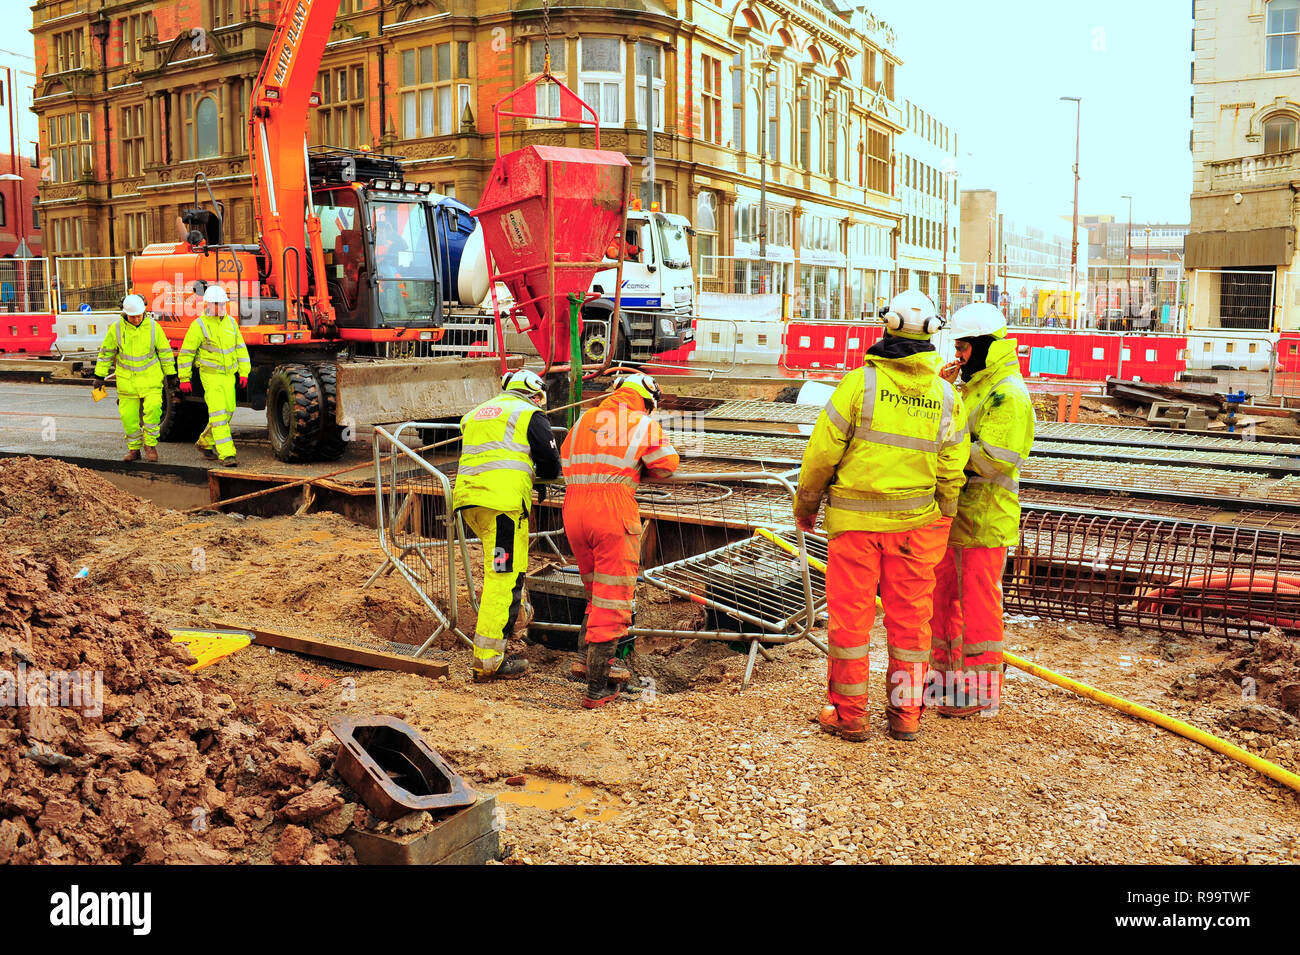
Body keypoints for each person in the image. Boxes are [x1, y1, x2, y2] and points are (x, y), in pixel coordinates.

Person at [795, 290, 969, 742]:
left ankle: (850, 715)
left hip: (855, 528)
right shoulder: (947, 396)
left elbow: (820, 456)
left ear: (887, 327)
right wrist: (944, 516)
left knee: (850, 621)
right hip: (918, 528)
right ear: (933, 334)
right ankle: (906, 715)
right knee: (912, 622)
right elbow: (952, 469)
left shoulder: (859, 385)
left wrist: (807, 505)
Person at [933, 303, 1035, 717]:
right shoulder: (975, 387)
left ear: (984, 347)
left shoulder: (1006, 394)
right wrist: (943, 391)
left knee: (977, 610)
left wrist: (945, 452)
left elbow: (994, 458)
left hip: (985, 519)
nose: (957, 355)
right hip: (958, 517)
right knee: (943, 602)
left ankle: (977, 693)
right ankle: (942, 682)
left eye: (962, 348)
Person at [562, 373, 679, 708]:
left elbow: (566, 458)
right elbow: (668, 465)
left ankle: (584, 660)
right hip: (612, 510)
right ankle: (597, 689)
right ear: (647, 400)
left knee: (595, 589)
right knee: (612, 599)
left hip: (574, 509)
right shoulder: (641, 423)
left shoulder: (586, 418)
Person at [452, 369, 561, 682]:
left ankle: (494, 651)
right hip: (503, 507)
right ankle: (488, 663)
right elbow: (551, 463)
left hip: (472, 504)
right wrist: (540, 478)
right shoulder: (529, 414)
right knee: (502, 579)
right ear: (534, 393)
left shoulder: (476, 414)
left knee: (499, 572)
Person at [93, 293, 177, 463]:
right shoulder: (116, 329)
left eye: (139, 316)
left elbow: (165, 353)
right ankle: (134, 449)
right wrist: (99, 376)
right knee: (129, 418)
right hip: (127, 383)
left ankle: (150, 446)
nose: (136, 319)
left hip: (151, 380)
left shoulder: (154, 328)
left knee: (153, 412)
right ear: (125, 314)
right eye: (133, 317)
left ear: (144, 313)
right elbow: (106, 353)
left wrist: (171, 375)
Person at [178, 285, 250, 468]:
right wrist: (184, 378)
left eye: (222, 304)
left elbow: (240, 349)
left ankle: (205, 442)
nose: (220, 308)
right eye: (217, 304)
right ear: (208, 305)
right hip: (210, 376)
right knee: (218, 413)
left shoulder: (231, 323)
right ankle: (227, 454)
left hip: (228, 376)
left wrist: (244, 372)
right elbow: (186, 353)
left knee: (228, 411)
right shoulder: (199, 325)